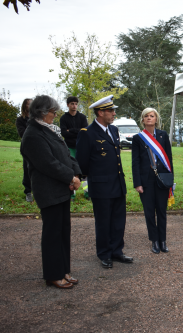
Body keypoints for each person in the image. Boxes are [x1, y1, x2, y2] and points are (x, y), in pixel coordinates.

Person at [20, 95, 81, 289]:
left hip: (60, 189)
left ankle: (63, 270)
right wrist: (70, 177)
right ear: (42, 112)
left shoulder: (50, 131)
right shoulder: (32, 135)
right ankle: (53, 275)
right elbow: (48, 164)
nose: (55, 115)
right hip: (48, 190)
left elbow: (65, 154)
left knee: (63, 232)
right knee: (53, 234)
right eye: (53, 112)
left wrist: (76, 173)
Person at [76, 95, 133, 268]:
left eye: (113, 110)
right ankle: (104, 254)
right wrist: (89, 180)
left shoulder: (114, 130)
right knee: (103, 221)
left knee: (118, 220)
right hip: (101, 186)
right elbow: (82, 161)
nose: (114, 113)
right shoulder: (87, 133)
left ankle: (117, 251)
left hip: (117, 184)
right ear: (100, 113)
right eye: (111, 111)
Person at [132, 108, 173, 254]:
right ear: (142, 120)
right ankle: (154, 240)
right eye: (146, 116)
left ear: (156, 119)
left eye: (152, 116)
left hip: (162, 180)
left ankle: (163, 240)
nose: (149, 118)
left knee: (162, 211)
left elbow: (168, 158)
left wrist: (170, 180)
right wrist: (137, 183)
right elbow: (135, 162)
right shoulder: (138, 138)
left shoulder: (163, 135)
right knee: (149, 212)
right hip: (146, 181)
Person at [60, 96, 88, 201]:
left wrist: (70, 130)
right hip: (69, 147)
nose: (74, 106)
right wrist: (77, 131)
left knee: (84, 170)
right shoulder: (63, 118)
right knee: (71, 170)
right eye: (72, 103)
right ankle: (72, 193)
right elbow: (63, 133)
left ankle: (87, 192)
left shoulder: (82, 117)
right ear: (68, 105)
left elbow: (85, 131)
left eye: (76, 103)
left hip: (81, 147)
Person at [16, 98, 33, 202]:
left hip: (39, 147)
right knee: (27, 169)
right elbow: (23, 134)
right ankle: (28, 192)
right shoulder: (20, 120)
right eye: (28, 104)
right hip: (27, 148)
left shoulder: (36, 119)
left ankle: (39, 190)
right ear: (24, 106)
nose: (31, 105)